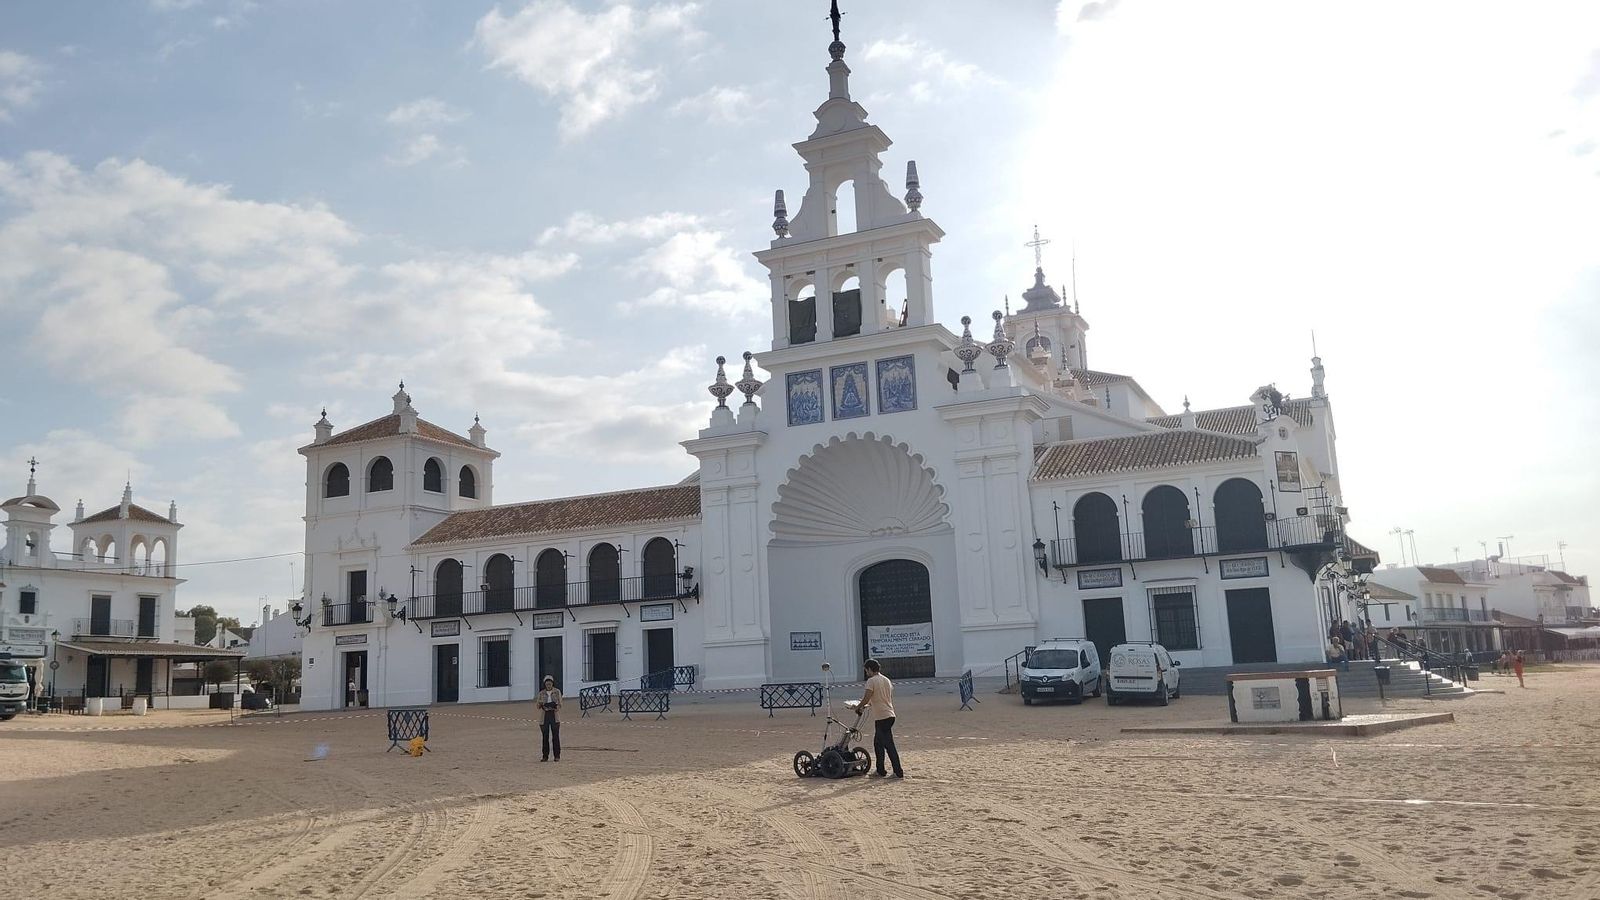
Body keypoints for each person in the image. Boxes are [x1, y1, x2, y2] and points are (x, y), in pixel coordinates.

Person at [857, 658, 902, 778]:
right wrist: (866, 705)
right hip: (889, 714)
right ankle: (880, 770)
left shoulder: (871, 681)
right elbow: (880, 698)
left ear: (870, 669)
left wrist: (858, 706)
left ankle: (898, 772)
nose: (866, 673)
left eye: (866, 670)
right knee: (878, 743)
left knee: (888, 745)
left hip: (882, 717)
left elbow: (867, 697)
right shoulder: (886, 680)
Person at [538, 675, 562, 761]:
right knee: (545, 737)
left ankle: (557, 756)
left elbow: (560, 704)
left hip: (554, 715)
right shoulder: (541, 693)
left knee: (555, 736)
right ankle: (545, 756)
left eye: (550, 684)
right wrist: (542, 704)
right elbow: (537, 706)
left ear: (552, 684)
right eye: (547, 684)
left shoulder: (557, 692)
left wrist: (554, 706)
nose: (548, 685)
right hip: (545, 716)